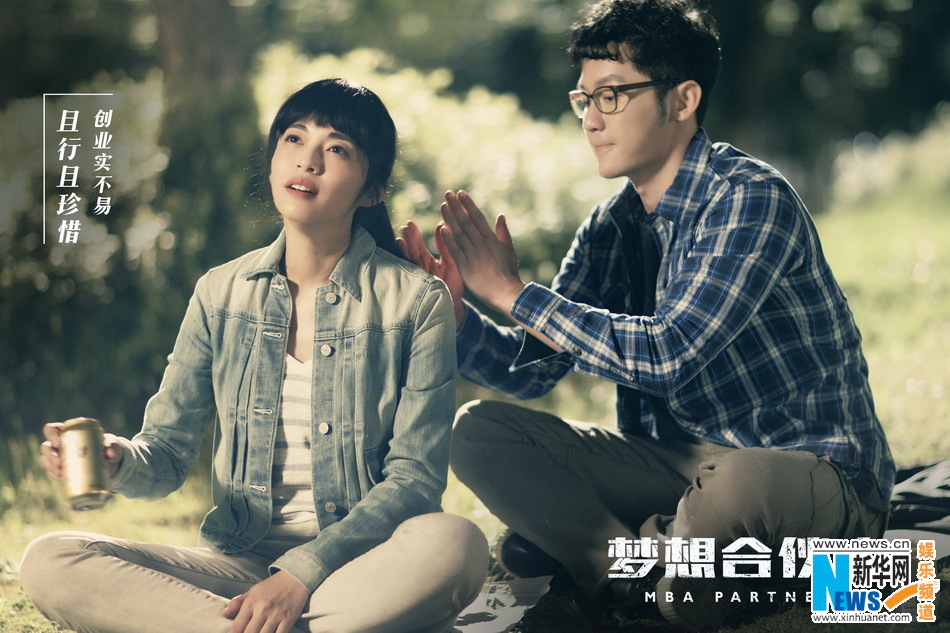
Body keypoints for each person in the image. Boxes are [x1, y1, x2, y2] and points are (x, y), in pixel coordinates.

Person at [398, 0, 895, 629]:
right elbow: (534, 372)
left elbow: (669, 352)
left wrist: (516, 292)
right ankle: (638, 569)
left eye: (611, 96)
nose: (591, 119)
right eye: (583, 100)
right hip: (677, 468)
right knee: (477, 432)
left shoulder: (749, 197)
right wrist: (454, 321)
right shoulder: (610, 227)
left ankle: (623, 559)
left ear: (682, 100)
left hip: (802, 470)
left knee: (735, 493)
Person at [20, 79, 487, 633]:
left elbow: (414, 481)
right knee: (52, 558)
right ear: (272, 160)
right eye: (294, 138)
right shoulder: (220, 293)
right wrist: (117, 458)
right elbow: (165, 454)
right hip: (239, 569)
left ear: (372, 190)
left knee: (456, 541)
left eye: (338, 149)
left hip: (361, 570)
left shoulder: (417, 301)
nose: (309, 160)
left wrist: (299, 575)